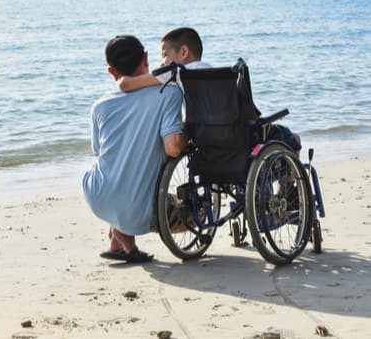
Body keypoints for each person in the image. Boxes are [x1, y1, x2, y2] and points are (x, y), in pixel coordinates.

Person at [82, 35, 187, 263]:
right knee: (194, 215)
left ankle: (120, 241)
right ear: (146, 59)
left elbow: (100, 152)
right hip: (135, 206)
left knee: (117, 166)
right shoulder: (168, 94)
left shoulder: (99, 106)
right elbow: (173, 149)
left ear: (112, 72)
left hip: (96, 195)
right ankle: (123, 235)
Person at [118, 27, 301, 154]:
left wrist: (120, 80)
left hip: (202, 137)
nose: (162, 62)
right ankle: (287, 189)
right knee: (294, 140)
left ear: (183, 52)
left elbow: (127, 84)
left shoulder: (175, 73)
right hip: (236, 135)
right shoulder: (212, 72)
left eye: (165, 55)